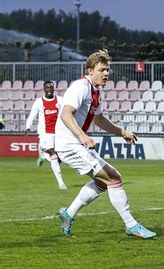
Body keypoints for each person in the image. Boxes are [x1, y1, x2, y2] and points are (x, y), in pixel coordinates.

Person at [55, 49, 155, 239]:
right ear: (90, 70)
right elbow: (65, 114)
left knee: (102, 182)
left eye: (107, 70)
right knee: (114, 178)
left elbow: (99, 120)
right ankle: (131, 225)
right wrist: (83, 137)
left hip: (75, 143)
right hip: (69, 144)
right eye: (102, 70)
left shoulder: (95, 92)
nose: (106, 74)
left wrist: (122, 132)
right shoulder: (80, 87)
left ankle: (68, 214)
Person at [25, 80, 67, 190]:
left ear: (54, 89)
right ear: (44, 89)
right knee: (54, 155)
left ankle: (43, 156)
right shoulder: (39, 102)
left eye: (51, 87)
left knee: (59, 158)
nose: (49, 89)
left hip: (58, 132)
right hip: (44, 134)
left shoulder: (60, 100)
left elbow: (68, 110)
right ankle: (61, 183)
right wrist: (27, 126)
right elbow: (32, 115)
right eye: (47, 87)